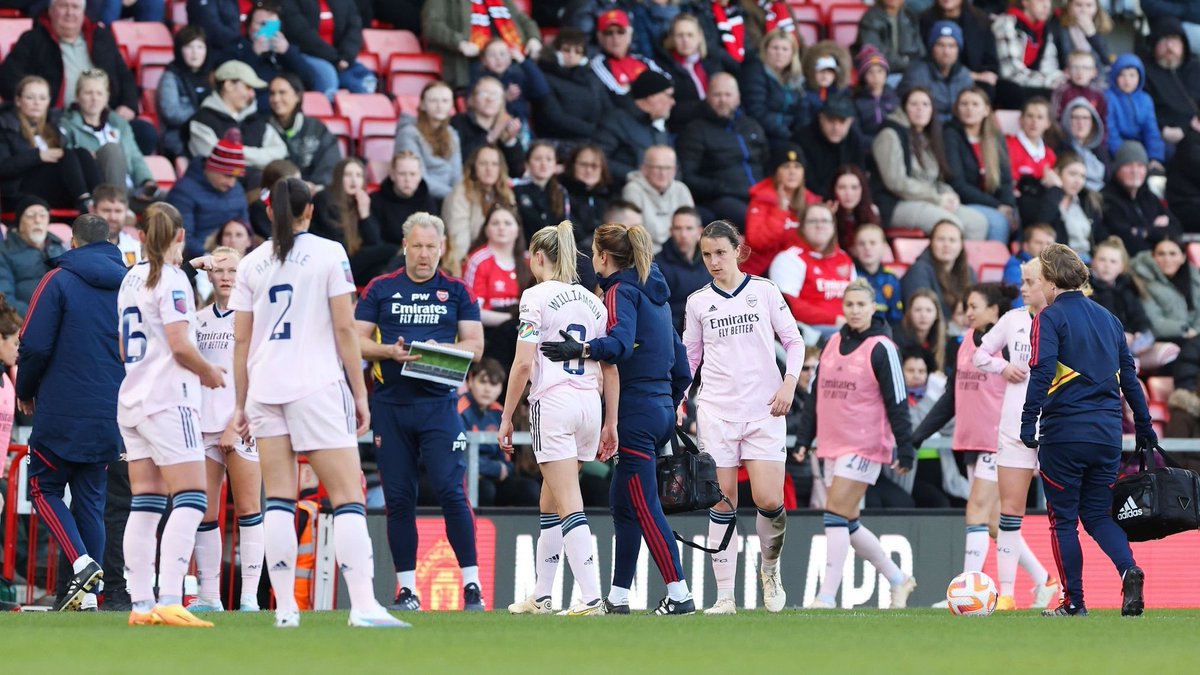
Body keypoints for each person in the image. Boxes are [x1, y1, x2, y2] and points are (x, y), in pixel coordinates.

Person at [227, 178, 405, 628]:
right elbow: (345, 329)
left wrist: (240, 403)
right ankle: (363, 605)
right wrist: (360, 393)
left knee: (278, 500)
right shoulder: (329, 253)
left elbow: (241, 340)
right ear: (310, 211)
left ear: (270, 212)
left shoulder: (250, 263)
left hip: (265, 387)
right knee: (347, 497)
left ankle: (285, 609)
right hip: (316, 385)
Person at [539, 222, 695, 615]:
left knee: (645, 506)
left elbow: (620, 346)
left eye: (594, 253)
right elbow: (682, 366)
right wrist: (668, 403)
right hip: (660, 409)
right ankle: (620, 596)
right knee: (623, 505)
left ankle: (679, 594)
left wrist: (583, 348)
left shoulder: (619, 291)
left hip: (636, 412)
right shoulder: (657, 295)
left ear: (604, 257)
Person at [354, 212, 486, 613]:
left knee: (451, 491)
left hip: (439, 405)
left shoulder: (457, 290)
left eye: (431, 247)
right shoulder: (381, 288)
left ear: (442, 248)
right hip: (391, 406)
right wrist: (388, 352)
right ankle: (407, 590)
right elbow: (355, 342)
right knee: (398, 498)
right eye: (417, 246)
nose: (424, 254)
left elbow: (476, 346)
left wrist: (443, 351)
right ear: (405, 246)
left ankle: (473, 586)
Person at [1020, 243, 1154, 617]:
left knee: (1063, 520)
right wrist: (1144, 424)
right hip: (1108, 434)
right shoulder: (1109, 319)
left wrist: (1028, 421)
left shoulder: (1048, 318)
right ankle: (1128, 569)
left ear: (1049, 281)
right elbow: (1130, 378)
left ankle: (1074, 601)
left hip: (1064, 434)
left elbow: (1042, 372)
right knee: (1097, 516)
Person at [683, 220, 804, 615]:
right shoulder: (698, 302)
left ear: (738, 250)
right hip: (717, 411)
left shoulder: (764, 291)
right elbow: (690, 357)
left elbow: (794, 341)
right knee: (722, 502)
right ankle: (725, 597)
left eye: (720, 252)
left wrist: (789, 384)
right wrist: (680, 398)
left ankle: (770, 569)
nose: (714, 261)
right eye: (707, 254)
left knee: (769, 499)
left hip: (764, 409)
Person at [500, 221, 617, 615]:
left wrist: (506, 416)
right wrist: (610, 421)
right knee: (550, 500)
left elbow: (522, 364)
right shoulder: (594, 301)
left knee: (568, 501)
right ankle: (542, 595)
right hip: (589, 405)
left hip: (553, 403)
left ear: (537, 257)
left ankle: (592, 597)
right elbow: (609, 365)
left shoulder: (534, 297)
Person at [116, 203, 224, 627]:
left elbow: (125, 345)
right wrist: (208, 371)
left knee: (145, 503)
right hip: (169, 399)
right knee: (193, 497)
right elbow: (179, 343)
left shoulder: (130, 277)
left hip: (134, 398)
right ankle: (171, 597)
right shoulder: (173, 279)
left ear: (141, 236)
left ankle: (141, 605)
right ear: (180, 235)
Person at [912, 283, 1051, 607]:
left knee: (976, 510)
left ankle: (966, 592)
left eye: (974, 306)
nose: (968, 312)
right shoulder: (964, 344)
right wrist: (918, 435)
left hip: (998, 441)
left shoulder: (1008, 346)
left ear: (994, 310)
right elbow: (952, 397)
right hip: (972, 442)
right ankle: (1045, 580)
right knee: (993, 522)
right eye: (966, 306)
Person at [17, 212, 124, 612]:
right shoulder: (129, 285)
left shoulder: (57, 280)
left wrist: (25, 391)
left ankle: (82, 564)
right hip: (110, 410)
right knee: (91, 502)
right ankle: (89, 598)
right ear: (110, 242)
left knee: (42, 488)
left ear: (73, 242)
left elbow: (33, 344)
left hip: (61, 409)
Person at [796, 278, 919, 609]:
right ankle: (898, 579)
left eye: (861, 304)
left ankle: (826, 596)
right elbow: (815, 395)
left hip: (865, 444)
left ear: (873, 307)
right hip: (832, 443)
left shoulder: (882, 348)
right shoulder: (832, 342)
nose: (854, 310)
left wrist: (905, 447)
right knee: (847, 522)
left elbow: (897, 400)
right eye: (849, 304)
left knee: (834, 512)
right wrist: (804, 438)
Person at [972, 260, 1061, 609]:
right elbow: (980, 355)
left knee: (1062, 512)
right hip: (1013, 427)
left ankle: (1069, 588)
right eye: (1022, 281)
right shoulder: (1012, 320)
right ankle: (1007, 593)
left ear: (1048, 283)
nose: (1022, 288)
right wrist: (1003, 366)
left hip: (1055, 426)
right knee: (1010, 511)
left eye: (1029, 282)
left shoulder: (1063, 320)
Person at [183, 246, 264, 613]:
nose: (227, 276)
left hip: (241, 424)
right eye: (219, 270)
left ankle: (249, 598)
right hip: (203, 426)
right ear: (209, 274)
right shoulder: (196, 319)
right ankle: (208, 597)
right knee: (205, 513)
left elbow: (259, 374)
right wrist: (193, 265)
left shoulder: (253, 319)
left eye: (233, 270)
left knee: (248, 509)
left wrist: (237, 421)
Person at [0, 0, 145, 152]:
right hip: (56, 119)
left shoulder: (101, 37)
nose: (70, 13)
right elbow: (8, 77)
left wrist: (128, 104)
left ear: (83, 12)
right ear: (51, 10)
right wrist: (37, 102)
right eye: (63, 6)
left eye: (75, 7)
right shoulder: (33, 39)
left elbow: (124, 75)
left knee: (144, 132)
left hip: (103, 116)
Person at [871, 87, 989, 239]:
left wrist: (949, 194)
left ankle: (963, 256)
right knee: (951, 225)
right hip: (896, 203)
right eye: (914, 104)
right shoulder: (890, 134)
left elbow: (936, 179)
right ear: (904, 108)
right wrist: (936, 198)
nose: (920, 109)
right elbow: (896, 183)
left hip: (929, 200)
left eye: (925, 104)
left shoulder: (928, 136)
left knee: (977, 223)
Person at [677, 73, 768, 228]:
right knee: (755, 222)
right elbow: (687, 175)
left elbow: (766, 161)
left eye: (728, 95)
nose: (723, 100)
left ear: (738, 98)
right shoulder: (695, 130)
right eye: (717, 95)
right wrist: (719, 188)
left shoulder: (751, 125)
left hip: (760, 194)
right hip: (722, 199)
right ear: (707, 97)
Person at [0, 75, 100, 211]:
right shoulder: (5, 126)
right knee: (66, 154)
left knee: (82, 153)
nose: (37, 103)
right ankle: (85, 202)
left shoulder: (53, 125)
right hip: (20, 191)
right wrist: (38, 156)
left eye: (42, 98)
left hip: (55, 189)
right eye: (30, 97)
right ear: (18, 101)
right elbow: (4, 167)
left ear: (48, 101)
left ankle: (99, 200)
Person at [61, 69, 157, 196]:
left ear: (107, 97)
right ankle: (117, 203)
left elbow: (135, 158)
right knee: (111, 150)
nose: (94, 98)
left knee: (167, 199)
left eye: (99, 93)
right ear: (77, 96)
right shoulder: (67, 125)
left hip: (129, 191)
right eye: (88, 93)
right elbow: (67, 161)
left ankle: (122, 202)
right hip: (95, 194)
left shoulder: (120, 124)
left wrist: (147, 181)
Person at [1091, 236, 1181, 370]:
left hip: (1131, 346)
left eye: (1113, 261)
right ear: (1093, 261)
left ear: (1121, 267)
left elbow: (1141, 318)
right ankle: (1127, 366)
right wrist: (1120, 336)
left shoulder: (1127, 288)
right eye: (1102, 259)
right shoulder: (1084, 290)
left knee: (1171, 350)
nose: (1107, 265)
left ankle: (1130, 364)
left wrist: (1140, 332)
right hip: (1099, 348)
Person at [459, 359, 539, 507]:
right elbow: (460, 459)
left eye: (494, 384)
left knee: (529, 489)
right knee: (486, 490)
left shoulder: (500, 412)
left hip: (493, 477)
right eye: (483, 382)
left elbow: (506, 461)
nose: (487, 389)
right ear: (470, 380)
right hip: (464, 477)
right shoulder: (458, 408)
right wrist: (495, 469)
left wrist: (498, 469)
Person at [943, 87, 1017, 242]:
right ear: (957, 109)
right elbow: (957, 184)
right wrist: (997, 206)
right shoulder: (950, 134)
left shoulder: (995, 137)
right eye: (964, 104)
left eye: (975, 104)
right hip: (963, 202)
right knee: (998, 223)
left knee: (1019, 218)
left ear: (986, 110)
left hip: (994, 203)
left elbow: (1005, 180)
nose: (969, 109)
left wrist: (1008, 206)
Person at [770, 203, 856, 332]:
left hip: (848, 326)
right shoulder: (789, 258)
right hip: (810, 330)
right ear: (802, 227)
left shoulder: (843, 258)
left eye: (825, 221)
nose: (819, 225)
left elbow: (858, 297)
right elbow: (787, 305)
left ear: (833, 227)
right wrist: (834, 320)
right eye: (813, 221)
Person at [464, 203, 531, 367]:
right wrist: (512, 319)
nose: (501, 228)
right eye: (495, 223)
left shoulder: (529, 261)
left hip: (521, 328)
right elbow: (473, 313)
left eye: (507, 223)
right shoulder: (478, 261)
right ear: (486, 229)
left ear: (517, 230)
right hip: (490, 332)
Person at [167, 129, 252, 259]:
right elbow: (183, 238)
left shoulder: (237, 189)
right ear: (211, 168)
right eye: (227, 176)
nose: (232, 183)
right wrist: (211, 258)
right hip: (200, 260)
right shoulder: (183, 192)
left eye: (236, 177)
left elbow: (246, 228)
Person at [188, 61, 288, 170]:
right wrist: (259, 157)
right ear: (228, 85)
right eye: (248, 87)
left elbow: (280, 152)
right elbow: (213, 156)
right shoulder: (202, 120)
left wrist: (236, 152)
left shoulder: (256, 120)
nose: (252, 94)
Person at [421, 0, 542, 89]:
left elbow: (523, 19)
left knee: (541, 85)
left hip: (512, 59)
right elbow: (431, 26)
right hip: (472, 63)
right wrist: (460, 43)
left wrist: (534, 38)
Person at [219, 0, 313, 111]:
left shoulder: (286, 49)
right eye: (262, 24)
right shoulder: (236, 47)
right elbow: (233, 83)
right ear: (249, 26)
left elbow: (309, 80)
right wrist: (254, 54)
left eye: (273, 26)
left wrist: (288, 52)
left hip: (287, 105)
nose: (267, 30)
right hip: (255, 105)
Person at [312, 157, 391, 284]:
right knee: (393, 250)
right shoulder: (324, 199)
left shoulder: (360, 202)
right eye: (348, 175)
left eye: (359, 175)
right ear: (338, 177)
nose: (354, 180)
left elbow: (374, 241)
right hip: (334, 264)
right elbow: (338, 244)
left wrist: (365, 214)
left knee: (381, 272)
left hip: (354, 264)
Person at [743, 144, 819, 276]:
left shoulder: (812, 203)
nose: (792, 172)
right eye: (786, 167)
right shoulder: (761, 199)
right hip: (760, 273)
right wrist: (780, 212)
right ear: (776, 172)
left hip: (798, 270)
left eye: (797, 167)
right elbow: (756, 241)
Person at [441, 145, 517, 274]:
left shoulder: (506, 194)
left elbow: (514, 234)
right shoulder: (461, 193)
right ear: (473, 167)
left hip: (501, 260)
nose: (489, 169)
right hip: (468, 261)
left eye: (494, 164)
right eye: (483, 163)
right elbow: (459, 242)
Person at [1097, 140, 1182, 254]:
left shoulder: (1150, 198)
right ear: (1117, 169)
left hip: (1157, 257)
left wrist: (1145, 232)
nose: (1135, 171)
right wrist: (1157, 231)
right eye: (1128, 165)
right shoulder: (1106, 198)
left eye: (1140, 165)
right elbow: (1126, 240)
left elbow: (1176, 229)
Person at [279, 0, 376, 98]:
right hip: (305, 54)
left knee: (365, 78)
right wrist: (335, 58)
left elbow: (353, 28)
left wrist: (346, 56)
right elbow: (300, 33)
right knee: (328, 76)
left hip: (340, 57)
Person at [534, 28, 614, 145]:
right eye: (566, 50)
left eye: (577, 51)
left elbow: (608, 110)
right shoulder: (544, 78)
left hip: (594, 140)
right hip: (558, 141)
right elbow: (554, 118)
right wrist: (595, 131)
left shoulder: (593, 79)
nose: (571, 55)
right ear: (555, 51)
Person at [1020, 151, 1102, 259]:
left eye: (1082, 176)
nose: (1078, 181)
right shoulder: (1037, 196)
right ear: (1056, 173)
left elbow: (1096, 237)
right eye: (1072, 174)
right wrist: (1056, 189)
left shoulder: (1087, 200)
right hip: (1056, 261)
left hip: (1085, 260)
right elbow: (1040, 222)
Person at [596, 70, 675, 182]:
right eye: (668, 96)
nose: (672, 102)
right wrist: (638, 176)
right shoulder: (616, 121)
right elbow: (598, 158)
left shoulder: (659, 125)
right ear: (651, 96)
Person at [264, 73, 340, 188]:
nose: (276, 99)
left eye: (282, 92)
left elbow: (329, 163)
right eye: (272, 93)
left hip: (313, 190)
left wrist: (315, 186)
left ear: (298, 96)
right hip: (275, 191)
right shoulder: (262, 127)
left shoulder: (317, 128)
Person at [741, 28, 809, 149]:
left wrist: (801, 134)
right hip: (766, 136)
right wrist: (788, 135)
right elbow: (756, 112)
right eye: (775, 48)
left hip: (791, 135)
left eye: (785, 49)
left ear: (792, 54)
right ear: (765, 50)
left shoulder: (797, 77)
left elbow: (802, 110)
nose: (779, 53)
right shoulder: (755, 71)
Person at [395, 81, 463, 203]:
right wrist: (453, 196)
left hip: (450, 198)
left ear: (451, 106)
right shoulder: (408, 133)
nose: (439, 106)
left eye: (445, 101)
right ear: (422, 105)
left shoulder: (452, 134)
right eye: (433, 101)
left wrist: (459, 195)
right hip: (422, 197)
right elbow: (417, 177)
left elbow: (457, 174)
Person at [992, 0, 1067, 109]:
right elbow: (1011, 72)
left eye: (1049, 1)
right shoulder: (1006, 23)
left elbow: (1049, 64)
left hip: (1034, 83)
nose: (1046, 6)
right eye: (1040, 1)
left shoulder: (1044, 29)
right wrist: (1049, 80)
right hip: (1008, 85)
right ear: (1025, 2)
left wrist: (1059, 79)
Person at [900, 219, 976, 325]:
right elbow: (920, 317)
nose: (946, 244)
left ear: (961, 245)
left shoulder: (969, 272)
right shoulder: (918, 271)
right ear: (931, 243)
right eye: (941, 239)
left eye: (952, 240)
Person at [0, 197, 68, 316]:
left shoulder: (58, 247)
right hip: (26, 320)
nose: (38, 220)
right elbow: (5, 297)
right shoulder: (4, 251)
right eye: (31, 216)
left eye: (43, 215)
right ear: (19, 223)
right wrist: (36, 317)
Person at [918, 0, 1000, 98]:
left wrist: (988, 74)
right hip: (937, 78)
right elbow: (925, 59)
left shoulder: (979, 20)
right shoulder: (924, 21)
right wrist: (971, 75)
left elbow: (990, 59)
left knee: (1010, 92)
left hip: (978, 79)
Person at [793, 94, 866, 202]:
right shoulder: (802, 140)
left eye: (842, 121)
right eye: (831, 120)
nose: (836, 127)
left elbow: (859, 177)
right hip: (811, 202)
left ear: (851, 121)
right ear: (821, 118)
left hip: (846, 201)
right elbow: (804, 182)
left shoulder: (855, 140)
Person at [899, 21, 975, 123]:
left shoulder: (964, 75)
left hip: (957, 129)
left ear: (958, 50)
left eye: (951, 46)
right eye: (941, 45)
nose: (946, 52)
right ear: (932, 48)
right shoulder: (917, 73)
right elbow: (908, 111)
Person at [622, 145, 694, 253]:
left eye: (668, 168)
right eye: (657, 167)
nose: (663, 173)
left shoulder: (681, 189)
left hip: (678, 252)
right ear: (644, 169)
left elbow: (691, 229)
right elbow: (634, 235)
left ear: (675, 170)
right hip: (647, 254)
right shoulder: (632, 190)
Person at [1142, 19, 1200, 152]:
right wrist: (1162, 128)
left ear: (1183, 43)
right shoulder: (1145, 72)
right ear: (1154, 44)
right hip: (1167, 134)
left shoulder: (1195, 68)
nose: (1169, 46)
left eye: (1174, 39)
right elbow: (1144, 110)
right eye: (1163, 40)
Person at [452, 77, 525, 178]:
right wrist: (490, 137)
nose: (490, 99)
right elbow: (458, 162)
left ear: (502, 101)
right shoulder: (458, 122)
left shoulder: (506, 123)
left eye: (495, 95)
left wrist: (510, 141)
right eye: (484, 94)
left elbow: (517, 172)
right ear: (472, 99)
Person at [158, 25, 213, 160]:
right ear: (179, 50)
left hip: (209, 133)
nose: (195, 53)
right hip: (180, 136)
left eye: (200, 47)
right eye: (189, 47)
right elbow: (171, 114)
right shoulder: (171, 76)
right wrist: (201, 113)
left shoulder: (211, 76)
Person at [1130, 237, 1200, 342]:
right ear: (1152, 257)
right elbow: (1154, 322)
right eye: (1161, 254)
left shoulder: (1195, 278)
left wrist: (1196, 332)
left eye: (1172, 254)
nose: (1167, 259)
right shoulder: (1141, 281)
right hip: (1164, 340)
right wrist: (1185, 329)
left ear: (1183, 257)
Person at [589, 8, 666, 101]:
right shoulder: (598, 64)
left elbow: (668, 82)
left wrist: (630, 86)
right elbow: (618, 94)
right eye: (609, 33)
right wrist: (651, 85)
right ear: (600, 37)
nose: (615, 37)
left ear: (629, 35)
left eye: (620, 31)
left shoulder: (643, 60)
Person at [654, 206, 710, 333]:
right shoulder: (657, 266)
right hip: (673, 334)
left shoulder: (711, 262)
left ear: (700, 232)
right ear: (671, 231)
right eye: (678, 228)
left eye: (689, 228)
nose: (683, 235)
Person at [1105, 54, 1166, 169]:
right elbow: (1110, 131)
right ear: (1114, 76)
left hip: (1140, 145)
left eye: (1132, 75)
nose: (1127, 80)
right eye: (1122, 75)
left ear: (1139, 77)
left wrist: (1155, 156)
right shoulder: (1108, 97)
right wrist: (1127, 154)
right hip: (1118, 147)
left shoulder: (1145, 99)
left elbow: (1151, 130)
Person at [371, 151, 437, 246]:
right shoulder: (376, 200)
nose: (407, 179)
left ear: (420, 176)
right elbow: (374, 241)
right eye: (402, 174)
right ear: (392, 175)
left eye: (412, 174)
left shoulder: (428, 202)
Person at [515, 141, 570, 242]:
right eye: (538, 159)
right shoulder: (516, 189)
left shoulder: (561, 192)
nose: (544, 163)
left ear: (555, 165)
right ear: (527, 164)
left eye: (549, 159)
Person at [856, 0, 925, 80]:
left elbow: (920, 52)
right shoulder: (870, 19)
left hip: (909, 73)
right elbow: (874, 53)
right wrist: (906, 62)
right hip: (881, 75)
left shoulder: (909, 16)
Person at [562, 144, 614, 248]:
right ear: (572, 165)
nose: (589, 170)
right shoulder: (561, 194)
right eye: (583, 164)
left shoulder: (610, 197)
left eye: (594, 166)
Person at [853, 223, 903, 325]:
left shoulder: (890, 278)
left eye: (873, 243)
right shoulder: (850, 275)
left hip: (884, 330)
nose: (867, 247)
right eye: (861, 244)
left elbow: (896, 316)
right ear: (854, 248)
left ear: (884, 247)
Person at [1057, 96, 1109, 193]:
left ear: (1093, 123)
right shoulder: (1060, 149)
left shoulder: (1101, 151)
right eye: (1075, 118)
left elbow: (1108, 179)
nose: (1080, 123)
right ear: (1068, 120)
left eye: (1085, 118)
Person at [897, 287, 952, 377]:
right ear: (909, 313)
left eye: (929, 310)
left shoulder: (946, 341)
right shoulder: (897, 339)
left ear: (937, 314)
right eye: (918, 310)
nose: (923, 315)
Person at [1007, 97, 1058, 187]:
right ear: (1021, 119)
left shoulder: (1050, 155)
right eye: (1030, 116)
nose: (1034, 121)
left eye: (1040, 117)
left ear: (1048, 123)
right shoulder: (1007, 145)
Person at [831, 165, 883, 251]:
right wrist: (829, 218)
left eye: (854, 187)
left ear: (862, 189)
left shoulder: (872, 211)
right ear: (834, 190)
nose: (848, 193)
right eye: (842, 187)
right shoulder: (825, 213)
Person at [853, 46, 900, 141]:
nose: (875, 76)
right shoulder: (857, 102)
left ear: (886, 75)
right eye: (870, 72)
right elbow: (856, 133)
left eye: (880, 71)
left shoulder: (895, 98)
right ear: (864, 77)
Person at [90, 183, 141, 267]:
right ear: (93, 210)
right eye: (106, 210)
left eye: (118, 211)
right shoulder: (79, 247)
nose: (113, 217)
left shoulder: (135, 247)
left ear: (126, 212)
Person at [1003, 223, 1056, 300]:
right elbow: (1019, 300)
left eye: (1049, 243)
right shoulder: (1016, 266)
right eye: (1038, 243)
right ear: (1026, 246)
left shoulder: (1056, 267)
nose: (1044, 248)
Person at [1050, 50, 1106, 123]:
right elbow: (1054, 118)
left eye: (1085, 68)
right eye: (1075, 67)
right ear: (1067, 71)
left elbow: (1102, 119)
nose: (1080, 72)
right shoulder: (1061, 91)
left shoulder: (1098, 93)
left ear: (1094, 72)